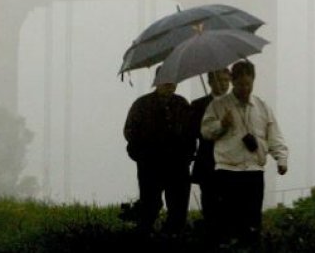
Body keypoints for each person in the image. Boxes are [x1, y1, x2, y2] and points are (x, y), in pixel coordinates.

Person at [201, 60, 288, 246]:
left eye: (248, 84)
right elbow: (205, 131)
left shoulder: (262, 106)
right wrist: (221, 125)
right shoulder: (218, 105)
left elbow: (274, 135)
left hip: (254, 170)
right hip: (227, 170)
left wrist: (281, 159)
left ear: (253, 81)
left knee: (252, 220)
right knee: (228, 220)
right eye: (240, 84)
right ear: (233, 81)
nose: (244, 88)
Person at [123, 70, 194, 235]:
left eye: (173, 79)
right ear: (157, 81)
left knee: (178, 210)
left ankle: (174, 238)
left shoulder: (182, 104)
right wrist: (142, 155)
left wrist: (188, 155)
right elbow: (130, 132)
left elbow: (191, 133)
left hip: (178, 166)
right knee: (149, 207)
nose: (170, 83)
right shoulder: (141, 105)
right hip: (150, 166)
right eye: (166, 79)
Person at [190, 67, 232, 227]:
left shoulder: (236, 103)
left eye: (226, 80)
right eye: (219, 80)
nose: (223, 84)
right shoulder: (198, 105)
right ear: (209, 82)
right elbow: (194, 132)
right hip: (207, 161)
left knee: (230, 203)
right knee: (209, 201)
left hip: (231, 161)